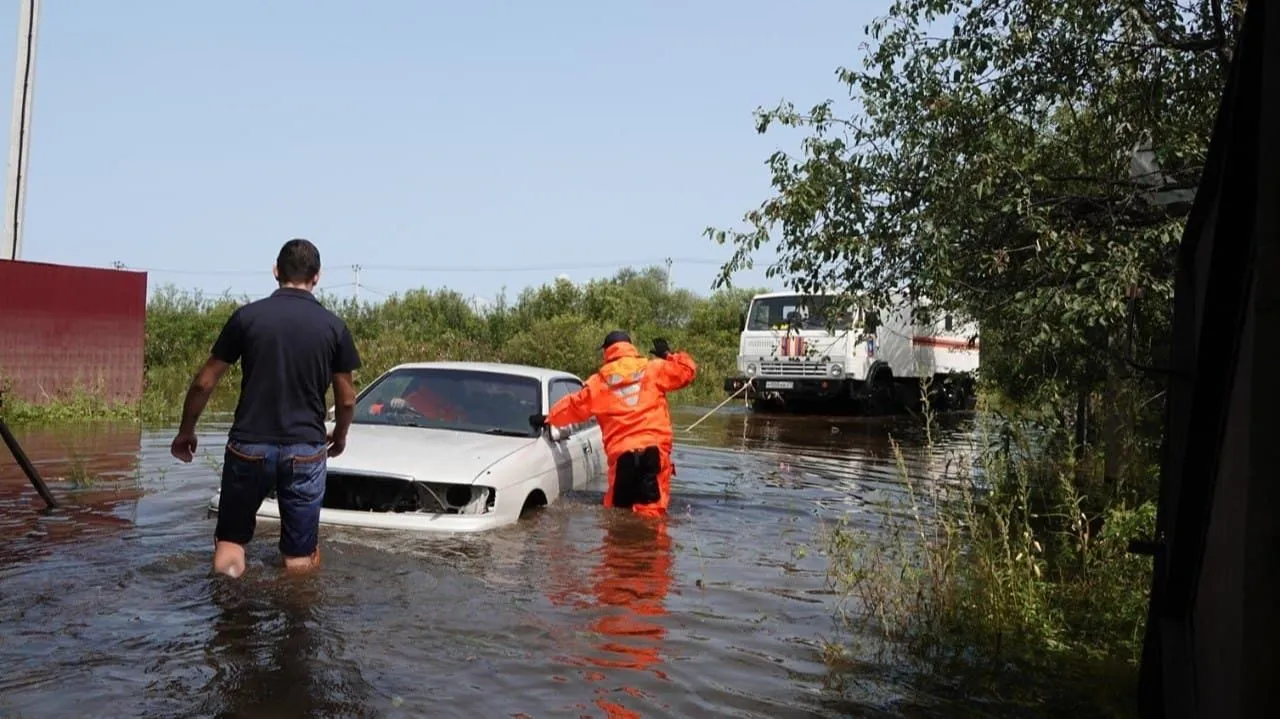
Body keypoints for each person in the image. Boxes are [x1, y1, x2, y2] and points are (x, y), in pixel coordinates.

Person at [170, 238, 361, 578]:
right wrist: (341, 436)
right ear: (317, 277)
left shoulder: (247, 318)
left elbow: (204, 383)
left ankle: (230, 618)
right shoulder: (333, 327)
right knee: (299, 558)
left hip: (248, 447)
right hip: (305, 450)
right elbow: (346, 399)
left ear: (275, 271)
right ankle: (298, 621)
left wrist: (187, 430)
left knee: (230, 544)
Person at [530, 330, 696, 516]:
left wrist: (548, 418)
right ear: (630, 347)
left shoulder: (598, 383)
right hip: (653, 454)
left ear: (606, 352)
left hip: (622, 457)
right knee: (652, 517)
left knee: (617, 514)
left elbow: (573, 407)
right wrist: (668, 355)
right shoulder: (654, 369)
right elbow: (687, 372)